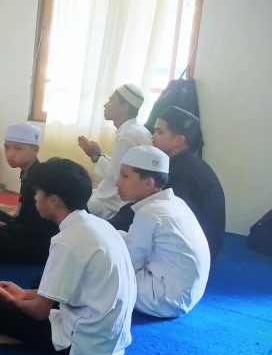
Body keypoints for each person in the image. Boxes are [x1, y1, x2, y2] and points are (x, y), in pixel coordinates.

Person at [0, 158, 136, 355]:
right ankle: (19, 330)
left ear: (53, 200)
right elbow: (78, 288)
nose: (36, 198)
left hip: (84, 344)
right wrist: (22, 294)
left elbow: (40, 312)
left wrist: (13, 301)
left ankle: (17, 339)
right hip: (109, 335)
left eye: (38, 193)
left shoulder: (68, 241)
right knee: (38, 284)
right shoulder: (98, 225)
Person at [115, 145, 210, 318]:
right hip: (188, 294)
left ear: (149, 183)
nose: (117, 181)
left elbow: (128, 263)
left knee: (101, 267)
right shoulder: (175, 202)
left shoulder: (149, 213)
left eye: (125, 176)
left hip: (164, 300)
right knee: (117, 236)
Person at [0, 122, 57, 264]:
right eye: (7, 147)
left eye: (18, 148)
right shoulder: (28, 172)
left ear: (35, 150)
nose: (10, 154)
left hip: (41, 244)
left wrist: (4, 229)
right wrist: (4, 225)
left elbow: (35, 229)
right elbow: (24, 217)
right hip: (27, 228)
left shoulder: (38, 180)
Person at [151, 106, 226, 259]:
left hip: (194, 254)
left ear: (179, 140)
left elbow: (169, 219)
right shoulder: (185, 163)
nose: (152, 136)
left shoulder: (181, 173)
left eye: (159, 132)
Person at [77, 83, 152, 220]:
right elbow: (122, 166)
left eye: (111, 101)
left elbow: (117, 177)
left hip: (111, 204)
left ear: (124, 107)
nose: (105, 105)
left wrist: (95, 156)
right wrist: (100, 155)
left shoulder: (127, 136)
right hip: (113, 198)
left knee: (67, 201)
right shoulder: (138, 130)